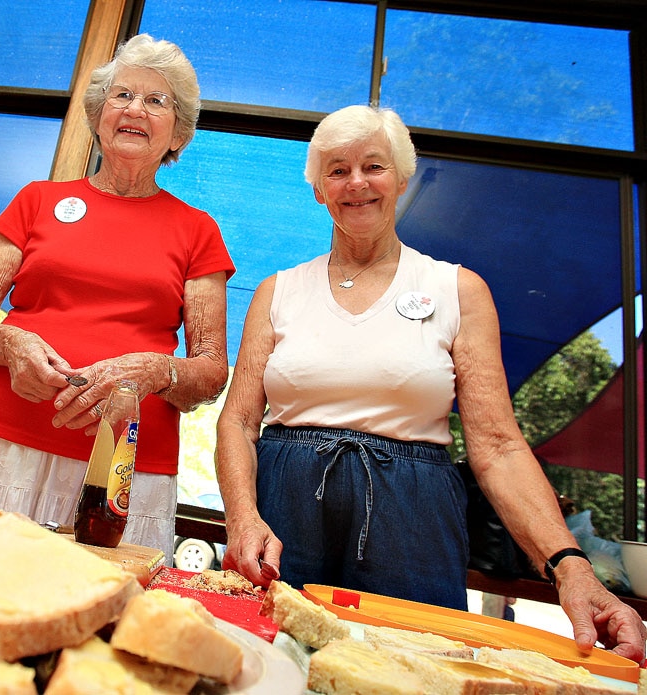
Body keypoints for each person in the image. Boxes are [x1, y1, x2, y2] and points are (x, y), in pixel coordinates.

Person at [214, 104, 646, 662]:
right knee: (270, 666)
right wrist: (242, 519)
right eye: (337, 169)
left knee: (413, 667)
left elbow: (498, 446)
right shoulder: (278, 291)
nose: (357, 182)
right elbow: (238, 420)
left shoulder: (458, 290)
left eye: (374, 165)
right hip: (285, 513)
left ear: (401, 177)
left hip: (412, 521)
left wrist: (570, 568)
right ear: (318, 189)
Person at [0, 34, 234, 564]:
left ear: (178, 133)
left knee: (88, 622)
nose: (136, 109)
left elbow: (210, 371)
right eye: (123, 95)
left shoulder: (198, 231)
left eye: (157, 101)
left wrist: (157, 370)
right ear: (99, 114)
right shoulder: (38, 200)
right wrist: (10, 343)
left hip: (118, 466)